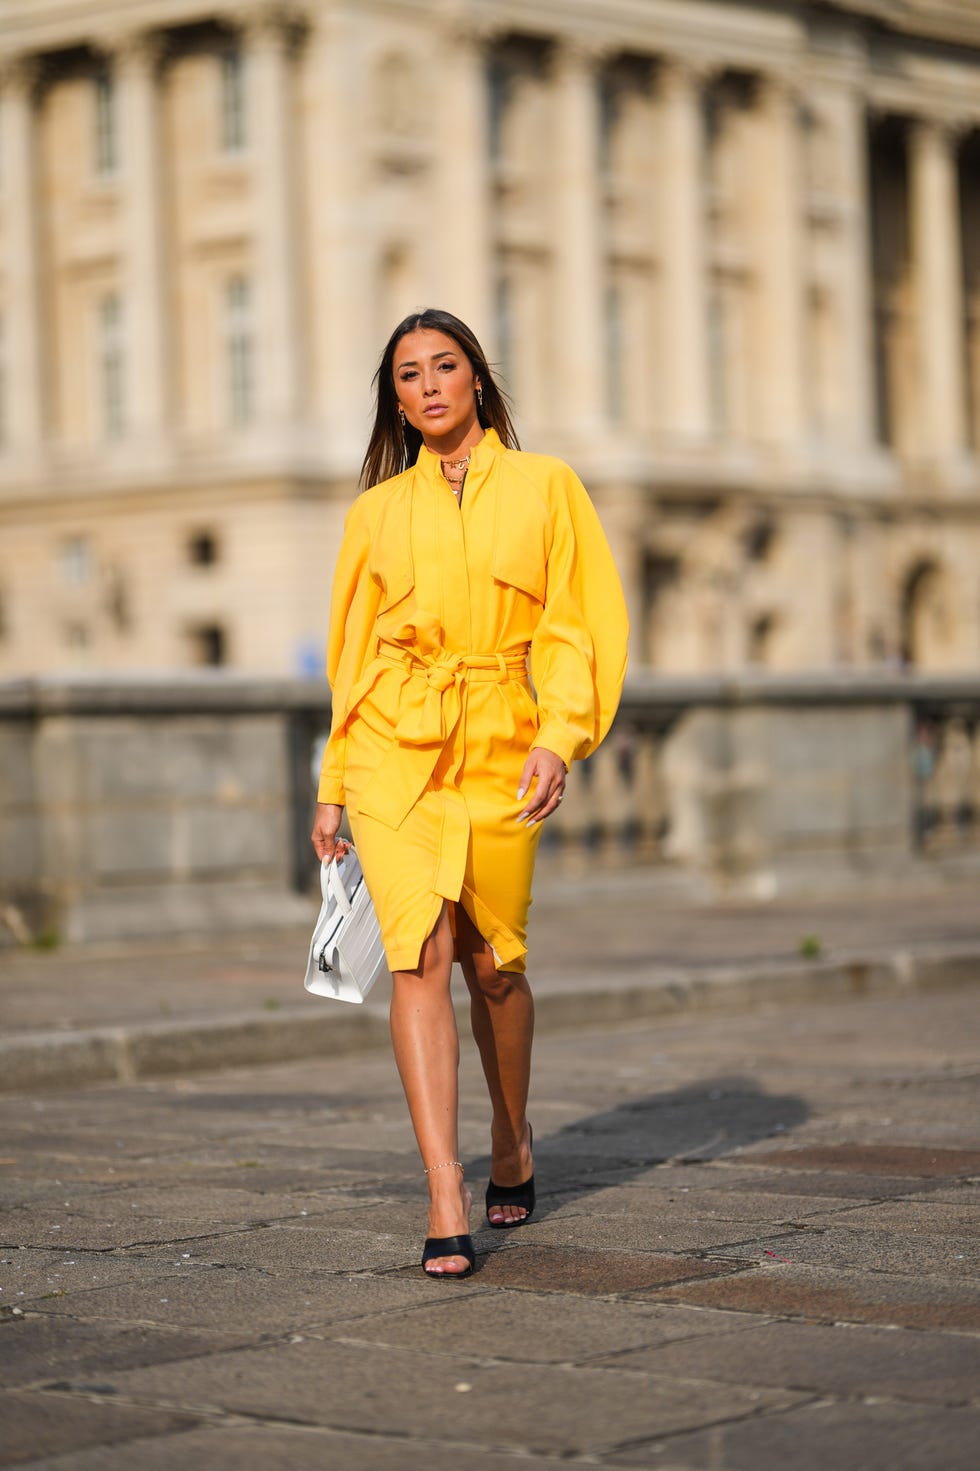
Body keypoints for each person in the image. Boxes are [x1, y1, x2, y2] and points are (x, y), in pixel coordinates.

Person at [311, 309, 628, 1279]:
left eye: (444, 366)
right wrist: (333, 783)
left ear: (478, 382)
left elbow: (575, 623)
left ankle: (510, 1133)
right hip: (393, 752)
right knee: (418, 954)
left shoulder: (545, 487)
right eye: (408, 375)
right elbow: (352, 655)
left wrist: (556, 735)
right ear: (395, 401)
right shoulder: (374, 512)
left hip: (499, 741)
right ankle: (444, 1191)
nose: (429, 385)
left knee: (492, 963)